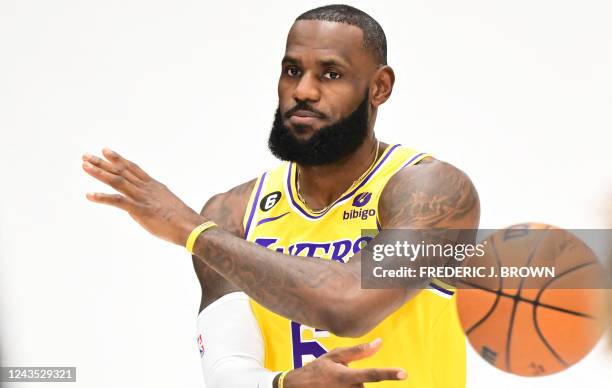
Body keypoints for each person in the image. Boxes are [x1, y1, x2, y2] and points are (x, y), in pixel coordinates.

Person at [82, 4, 480, 387]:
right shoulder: (232, 213)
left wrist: (192, 231)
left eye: (330, 74)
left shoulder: (430, 190)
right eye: (292, 71)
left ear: (379, 87)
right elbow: (228, 368)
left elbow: (348, 306)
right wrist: (282, 383)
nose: (303, 91)